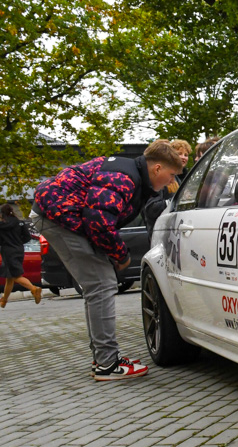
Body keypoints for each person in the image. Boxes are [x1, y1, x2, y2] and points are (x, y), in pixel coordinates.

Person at [30, 141, 184, 381]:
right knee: (102, 285)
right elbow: (98, 220)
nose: (171, 181)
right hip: (57, 217)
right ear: (156, 169)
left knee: (97, 286)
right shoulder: (124, 178)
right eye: (171, 174)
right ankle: (107, 364)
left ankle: (103, 358)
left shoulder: (130, 174)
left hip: (57, 215)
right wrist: (120, 254)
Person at [0, 204, 41, 308]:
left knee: (15, 276)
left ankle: (33, 289)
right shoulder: (20, 222)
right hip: (19, 250)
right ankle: (4, 300)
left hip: (8, 251)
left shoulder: (1, 225)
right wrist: (18, 243)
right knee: (10, 277)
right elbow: (27, 237)